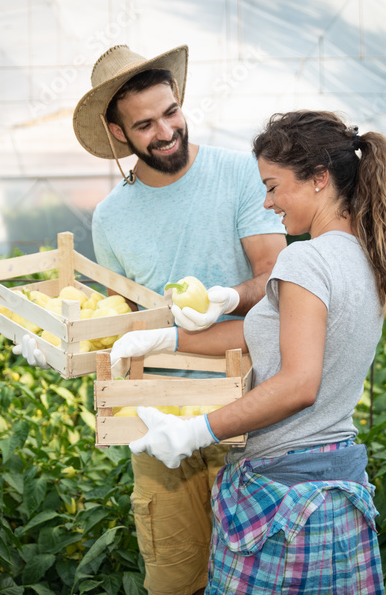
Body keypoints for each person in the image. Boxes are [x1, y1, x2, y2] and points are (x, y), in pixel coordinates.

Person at [115, 110, 386, 594]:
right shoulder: (363, 256)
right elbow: (268, 335)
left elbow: (299, 384)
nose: (268, 201)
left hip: (284, 500)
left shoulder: (305, 259)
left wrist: (197, 430)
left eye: (274, 186)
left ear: (319, 179)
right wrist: (169, 338)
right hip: (337, 489)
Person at [58, 44, 286, 595]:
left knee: (258, 573)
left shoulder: (238, 174)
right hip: (158, 419)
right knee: (174, 572)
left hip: (249, 408)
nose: (166, 131)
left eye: (171, 112)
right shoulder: (111, 217)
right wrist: (65, 345)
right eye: (145, 124)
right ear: (118, 134)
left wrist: (227, 297)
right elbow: (125, 322)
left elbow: (277, 280)